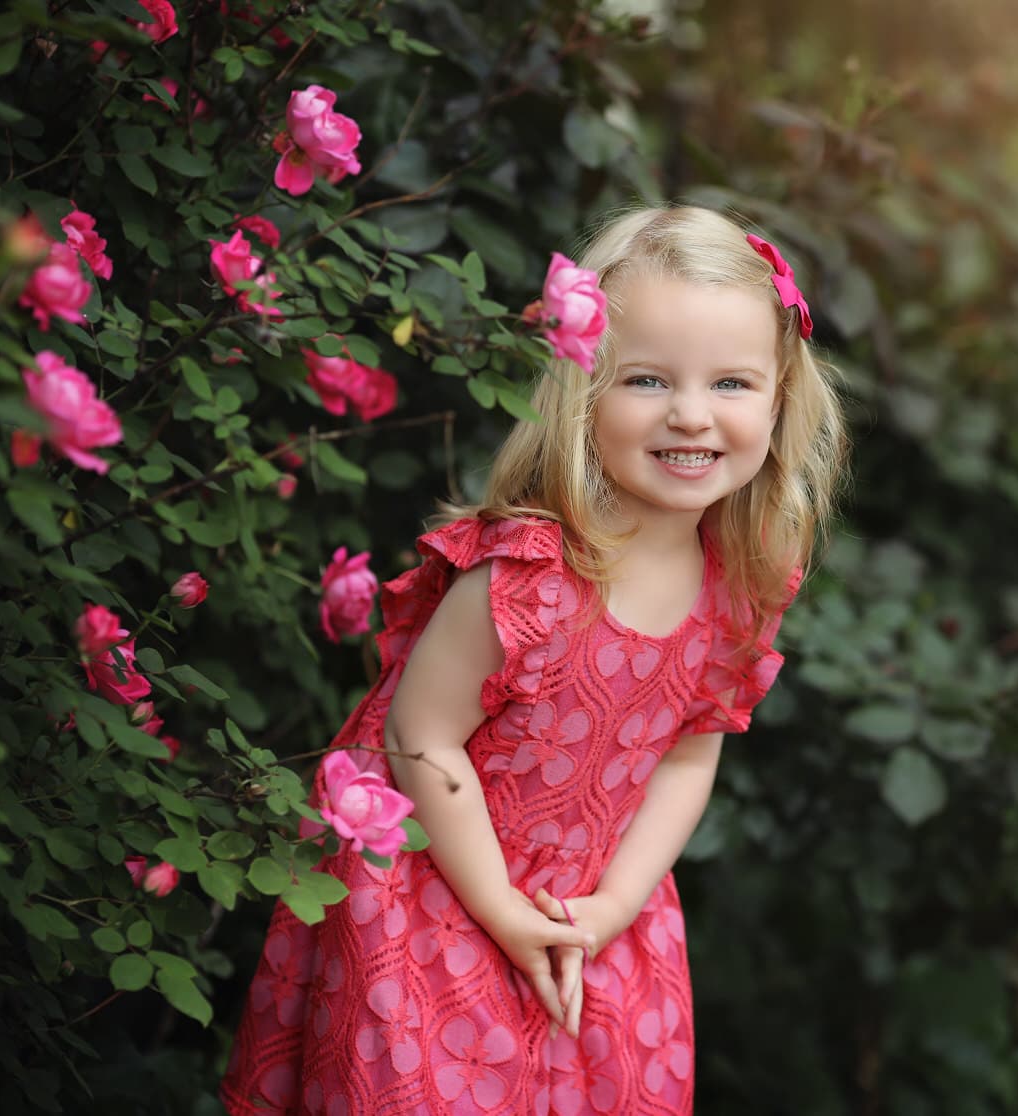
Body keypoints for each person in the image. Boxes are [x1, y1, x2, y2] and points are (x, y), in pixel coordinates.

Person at [221, 205, 848, 1115]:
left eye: (732, 383)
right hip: (438, 892)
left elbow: (686, 751)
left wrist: (615, 906)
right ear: (583, 387)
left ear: (781, 399)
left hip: (593, 918)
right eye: (645, 379)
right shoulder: (530, 574)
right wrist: (508, 916)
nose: (690, 414)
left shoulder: (738, 584)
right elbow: (419, 736)